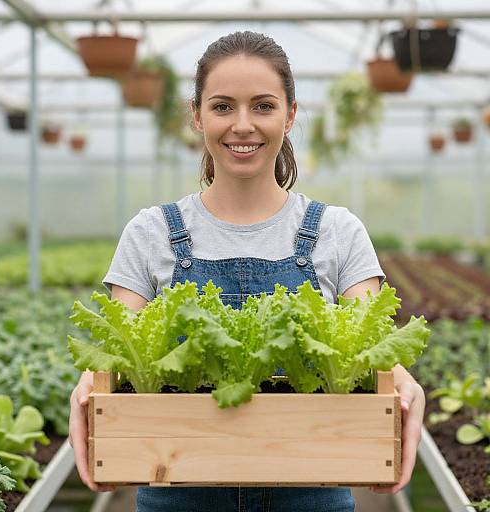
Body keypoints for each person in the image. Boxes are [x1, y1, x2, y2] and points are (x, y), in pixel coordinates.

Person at [69, 30, 426, 512]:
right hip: (177, 486)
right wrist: (91, 389)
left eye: (262, 106)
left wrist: (403, 382)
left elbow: (369, 344)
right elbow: (115, 356)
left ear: (290, 114)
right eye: (222, 107)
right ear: (196, 115)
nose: (242, 125)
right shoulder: (151, 232)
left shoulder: (337, 231)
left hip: (311, 490)